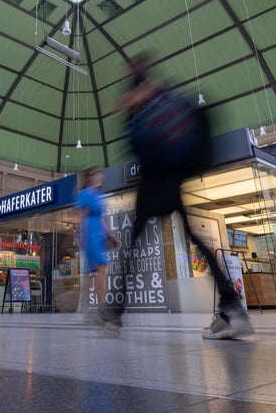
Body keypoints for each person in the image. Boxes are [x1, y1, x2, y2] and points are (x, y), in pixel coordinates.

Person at [107, 55, 253, 340]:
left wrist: (129, 104)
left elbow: (131, 143)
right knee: (196, 240)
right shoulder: (164, 93)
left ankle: (114, 311)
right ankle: (233, 307)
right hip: (174, 178)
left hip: (152, 179)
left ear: (131, 71)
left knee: (134, 245)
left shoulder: (135, 96)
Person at [75, 166, 114, 328]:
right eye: (98, 174)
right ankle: (101, 307)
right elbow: (83, 215)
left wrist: (109, 235)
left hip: (98, 234)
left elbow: (100, 218)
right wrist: (82, 237)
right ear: (90, 176)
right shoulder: (84, 194)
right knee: (101, 268)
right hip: (90, 233)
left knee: (98, 270)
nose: (101, 176)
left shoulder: (98, 195)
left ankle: (93, 307)